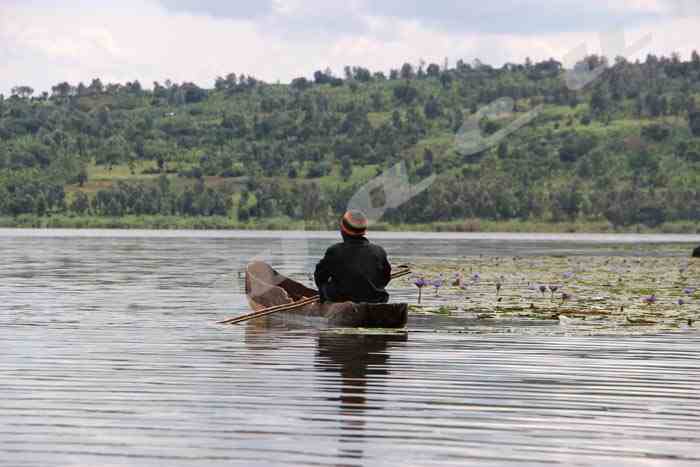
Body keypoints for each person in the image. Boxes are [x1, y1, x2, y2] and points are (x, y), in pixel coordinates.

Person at [314, 210, 391, 304]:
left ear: (343, 230)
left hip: (342, 299)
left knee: (324, 286)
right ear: (364, 232)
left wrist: (324, 292)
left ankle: (326, 304)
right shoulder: (379, 251)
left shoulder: (334, 251)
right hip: (377, 299)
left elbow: (320, 277)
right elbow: (385, 278)